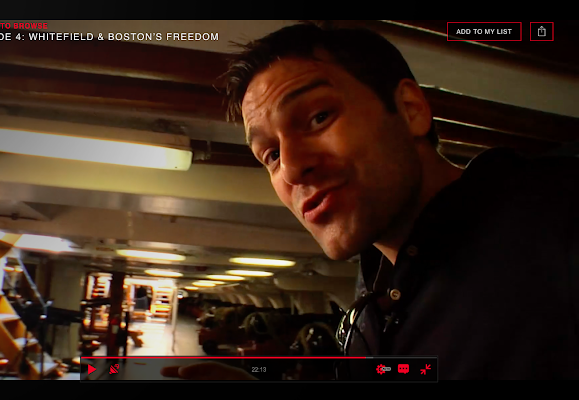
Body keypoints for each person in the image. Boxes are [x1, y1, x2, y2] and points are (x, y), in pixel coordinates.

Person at [161, 22, 579, 380]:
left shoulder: (557, 221)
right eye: (271, 154)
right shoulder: (374, 297)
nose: (291, 169)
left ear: (410, 109)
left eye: (319, 117)